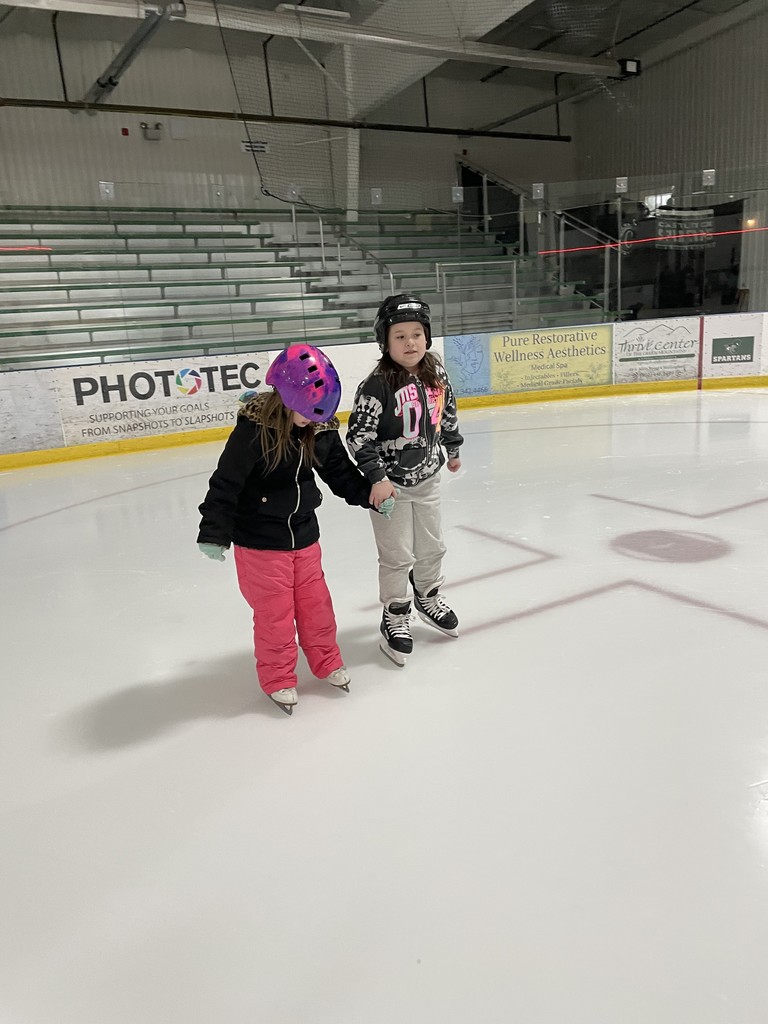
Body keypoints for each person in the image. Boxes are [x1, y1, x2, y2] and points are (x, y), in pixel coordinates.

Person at [197, 343, 393, 715]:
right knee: (274, 615)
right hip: (260, 543)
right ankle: (278, 677)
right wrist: (213, 532)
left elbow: (338, 471)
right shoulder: (254, 432)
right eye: (303, 413)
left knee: (316, 606)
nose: (309, 420)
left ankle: (327, 660)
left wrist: (369, 494)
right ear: (285, 397)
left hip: (304, 536)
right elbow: (226, 482)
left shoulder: (316, 425)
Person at [346, 294, 464, 666]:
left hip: (427, 478)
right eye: (400, 336)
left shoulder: (436, 371)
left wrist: (453, 446)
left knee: (432, 547)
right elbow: (358, 437)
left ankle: (427, 595)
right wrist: (377, 478)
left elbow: (447, 410)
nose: (410, 342)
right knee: (397, 556)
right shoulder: (377, 385)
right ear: (385, 341)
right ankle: (395, 614)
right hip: (390, 486)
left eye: (417, 334)